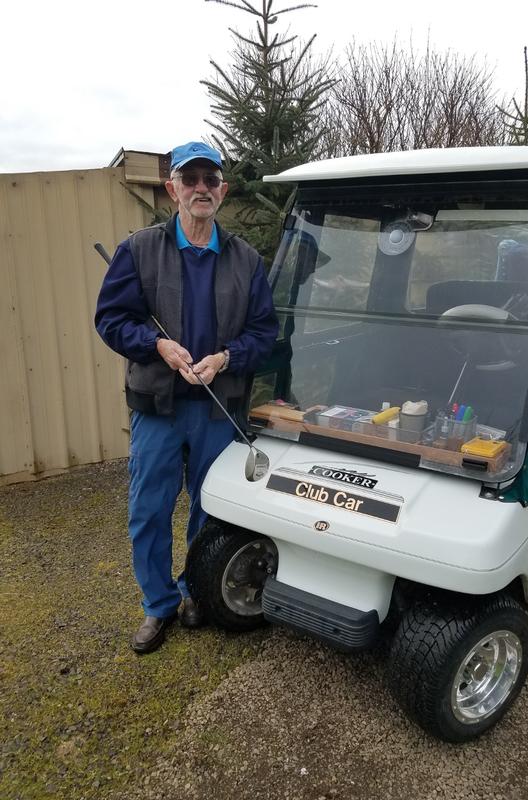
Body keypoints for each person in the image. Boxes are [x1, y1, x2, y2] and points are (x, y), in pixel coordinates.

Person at [95, 141, 279, 654]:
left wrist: (226, 358)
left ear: (221, 189)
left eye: (209, 179)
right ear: (173, 188)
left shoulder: (246, 260)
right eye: (189, 179)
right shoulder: (139, 250)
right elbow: (111, 321)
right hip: (157, 407)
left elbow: (265, 334)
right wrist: (155, 345)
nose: (200, 188)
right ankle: (158, 605)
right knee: (149, 510)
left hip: (217, 412)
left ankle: (196, 590)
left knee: (209, 509)